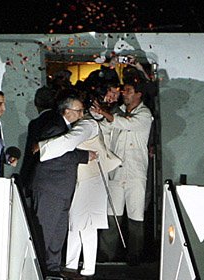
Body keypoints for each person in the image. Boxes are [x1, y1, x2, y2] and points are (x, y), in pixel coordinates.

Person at [38, 111, 121, 279]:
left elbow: (70, 141)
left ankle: (87, 267)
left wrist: (43, 147)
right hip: (84, 179)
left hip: (91, 180)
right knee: (76, 223)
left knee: (87, 224)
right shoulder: (86, 124)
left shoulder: (86, 125)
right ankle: (72, 264)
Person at [31, 94, 96, 278]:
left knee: (57, 232)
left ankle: (52, 268)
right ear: (67, 111)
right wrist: (84, 156)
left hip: (61, 189)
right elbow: (57, 153)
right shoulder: (55, 128)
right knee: (46, 230)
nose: (82, 115)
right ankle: (40, 268)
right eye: (79, 111)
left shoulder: (65, 129)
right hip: (50, 188)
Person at [91, 80, 153, 265]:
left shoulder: (144, 114)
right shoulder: (117, 112)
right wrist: (98, 116)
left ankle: (135, 255)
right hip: (116, 172)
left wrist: (104, 113)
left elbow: (126, 124)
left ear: (138, 94)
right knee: (112, 215)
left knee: (136, 216)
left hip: (135, 173)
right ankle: (106, 254)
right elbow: (107, 127)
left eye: (128, 91)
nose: (124, 94)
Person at [19, 86, 56, 198]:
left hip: (40, 177)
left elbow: (30, 154)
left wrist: (24, 179)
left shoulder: (36, 124)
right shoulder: (60, 120)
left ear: (36, 103)